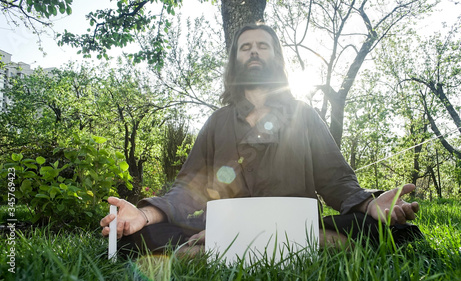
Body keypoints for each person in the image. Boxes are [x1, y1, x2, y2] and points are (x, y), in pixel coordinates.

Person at [100, 24, 421, 257]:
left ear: (277, 58)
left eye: (262, 46)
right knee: (135, 236)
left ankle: (221, 249)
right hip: (230, 228)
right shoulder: (217, 122)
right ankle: (308, 245)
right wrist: (143, 216)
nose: (254, 50)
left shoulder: (303, 116)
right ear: (236, 60)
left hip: (294, 225)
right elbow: (188, 191)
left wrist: (369, 203)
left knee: (395, 230)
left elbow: (337, 182)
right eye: (245, 47)